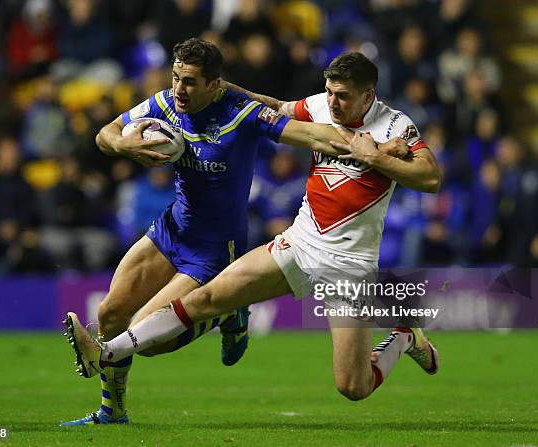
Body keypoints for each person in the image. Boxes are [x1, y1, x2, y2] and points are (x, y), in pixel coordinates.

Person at [65, 52, 441, 412]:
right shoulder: (320, 107)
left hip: (350, 264)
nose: (332, 102)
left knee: (353, 387)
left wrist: (375, 156)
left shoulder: (395, 125)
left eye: (342, 96)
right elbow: (274, 106)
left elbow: (431, 177)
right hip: (300, 242)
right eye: (329, 92)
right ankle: (108, 353)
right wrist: (224, 89)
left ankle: (405, 336)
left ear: (368, 95)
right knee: (208, 298)